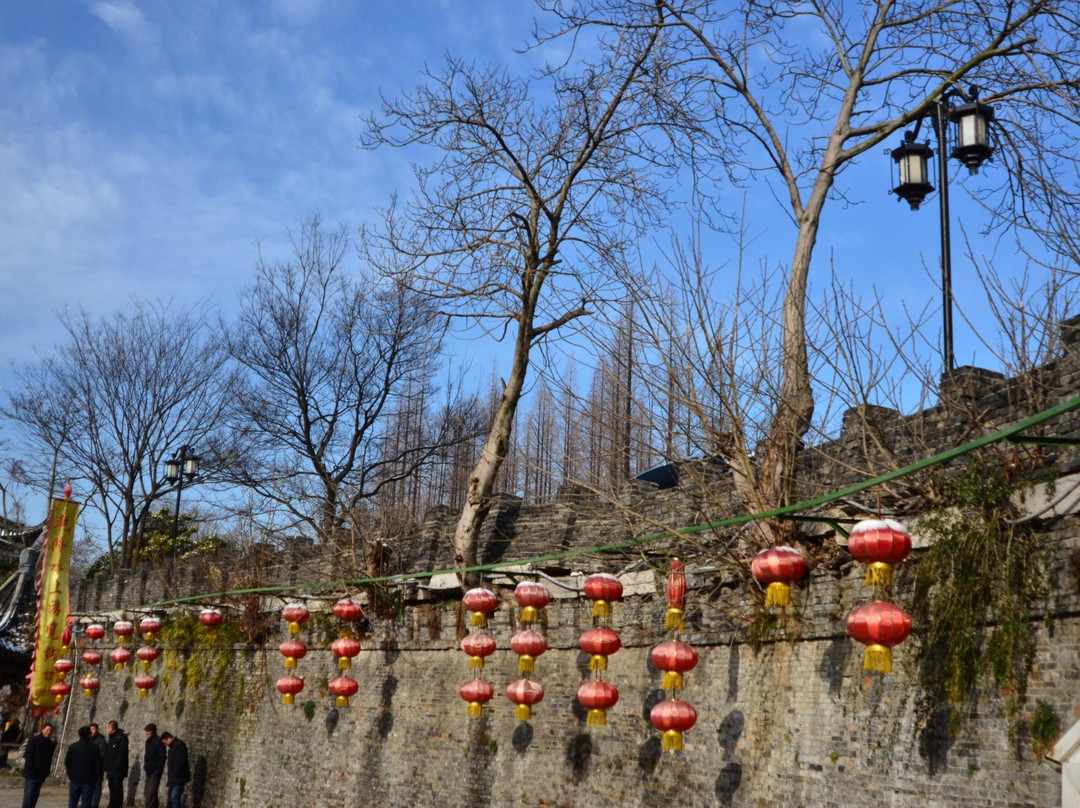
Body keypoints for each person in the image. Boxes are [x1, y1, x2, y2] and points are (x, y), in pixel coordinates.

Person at [64, 725, 103, 808]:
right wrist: (94, 777)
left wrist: (71, 775)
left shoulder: (73, 747)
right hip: (88, 780)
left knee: (72, 802)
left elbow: (67, 763)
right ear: (89, 734)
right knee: (86, 803)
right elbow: (98, 764)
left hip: (75, 779)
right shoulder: (94, 747)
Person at [21, 722, 55, 808]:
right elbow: (27, 755)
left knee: (35, 796)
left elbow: (49, 759)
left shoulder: (50, 743)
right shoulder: (34, 740)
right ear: (43, 729)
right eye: (47, 730)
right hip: (31, 773)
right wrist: (33, 768)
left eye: (50, 731)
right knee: (29, 795)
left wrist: (47, 771)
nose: (48, 732)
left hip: (41, 774)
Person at [160, 733, 190, 808]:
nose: (166, 744)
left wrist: (175, 773)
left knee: (174, 797)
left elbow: (180, 762)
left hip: (178, 777)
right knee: (172, 798)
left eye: (165, 742)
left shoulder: (179, 746)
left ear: (168, 738)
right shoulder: (174, 746)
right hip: (174, 778)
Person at [103, 722, 129, 808]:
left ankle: (116, 805)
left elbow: (122, 754)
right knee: (112, 788)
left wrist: (117, 766)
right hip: (111, 769)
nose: (107, 729)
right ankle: (112, 804)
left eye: (108, 727)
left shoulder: (121, 738)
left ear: (112, 728)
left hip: (118, 770)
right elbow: (108, 753)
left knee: (117, 788)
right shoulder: (111, 738)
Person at [142, 723, 166, 808]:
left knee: (151, 792)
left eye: (149, 731)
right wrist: (145, 765)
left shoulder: (158, 742)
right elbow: (147, 755)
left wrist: (158, 769)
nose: (147, 733)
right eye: (147, 731)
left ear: (153, 731)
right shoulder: (148, 742)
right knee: (149, 792)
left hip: (155, 770)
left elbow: (162, 756)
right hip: (149, 770)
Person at [88, 724, 107, 808]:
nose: (92, 731)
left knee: (97, 787)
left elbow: (102, 755)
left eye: (93, 729)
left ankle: (94, 804)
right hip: (88, 768)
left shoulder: (101, 741)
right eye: (90, 729)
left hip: (97, 768)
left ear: (97, 730)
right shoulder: (88, 740)